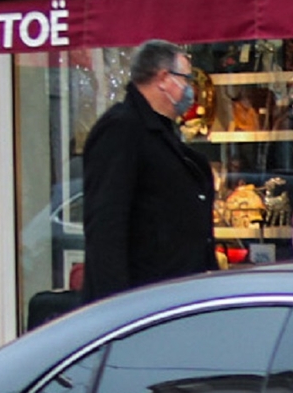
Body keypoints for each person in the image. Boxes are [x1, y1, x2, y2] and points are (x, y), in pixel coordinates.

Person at [81, 40, 216, 302]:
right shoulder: (122, 129)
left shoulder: (160, 132)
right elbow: (107, 225)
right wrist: (115, 306)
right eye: (186, 80)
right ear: (164, 78)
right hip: (145, 299)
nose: (190, 89)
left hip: (174, 294)